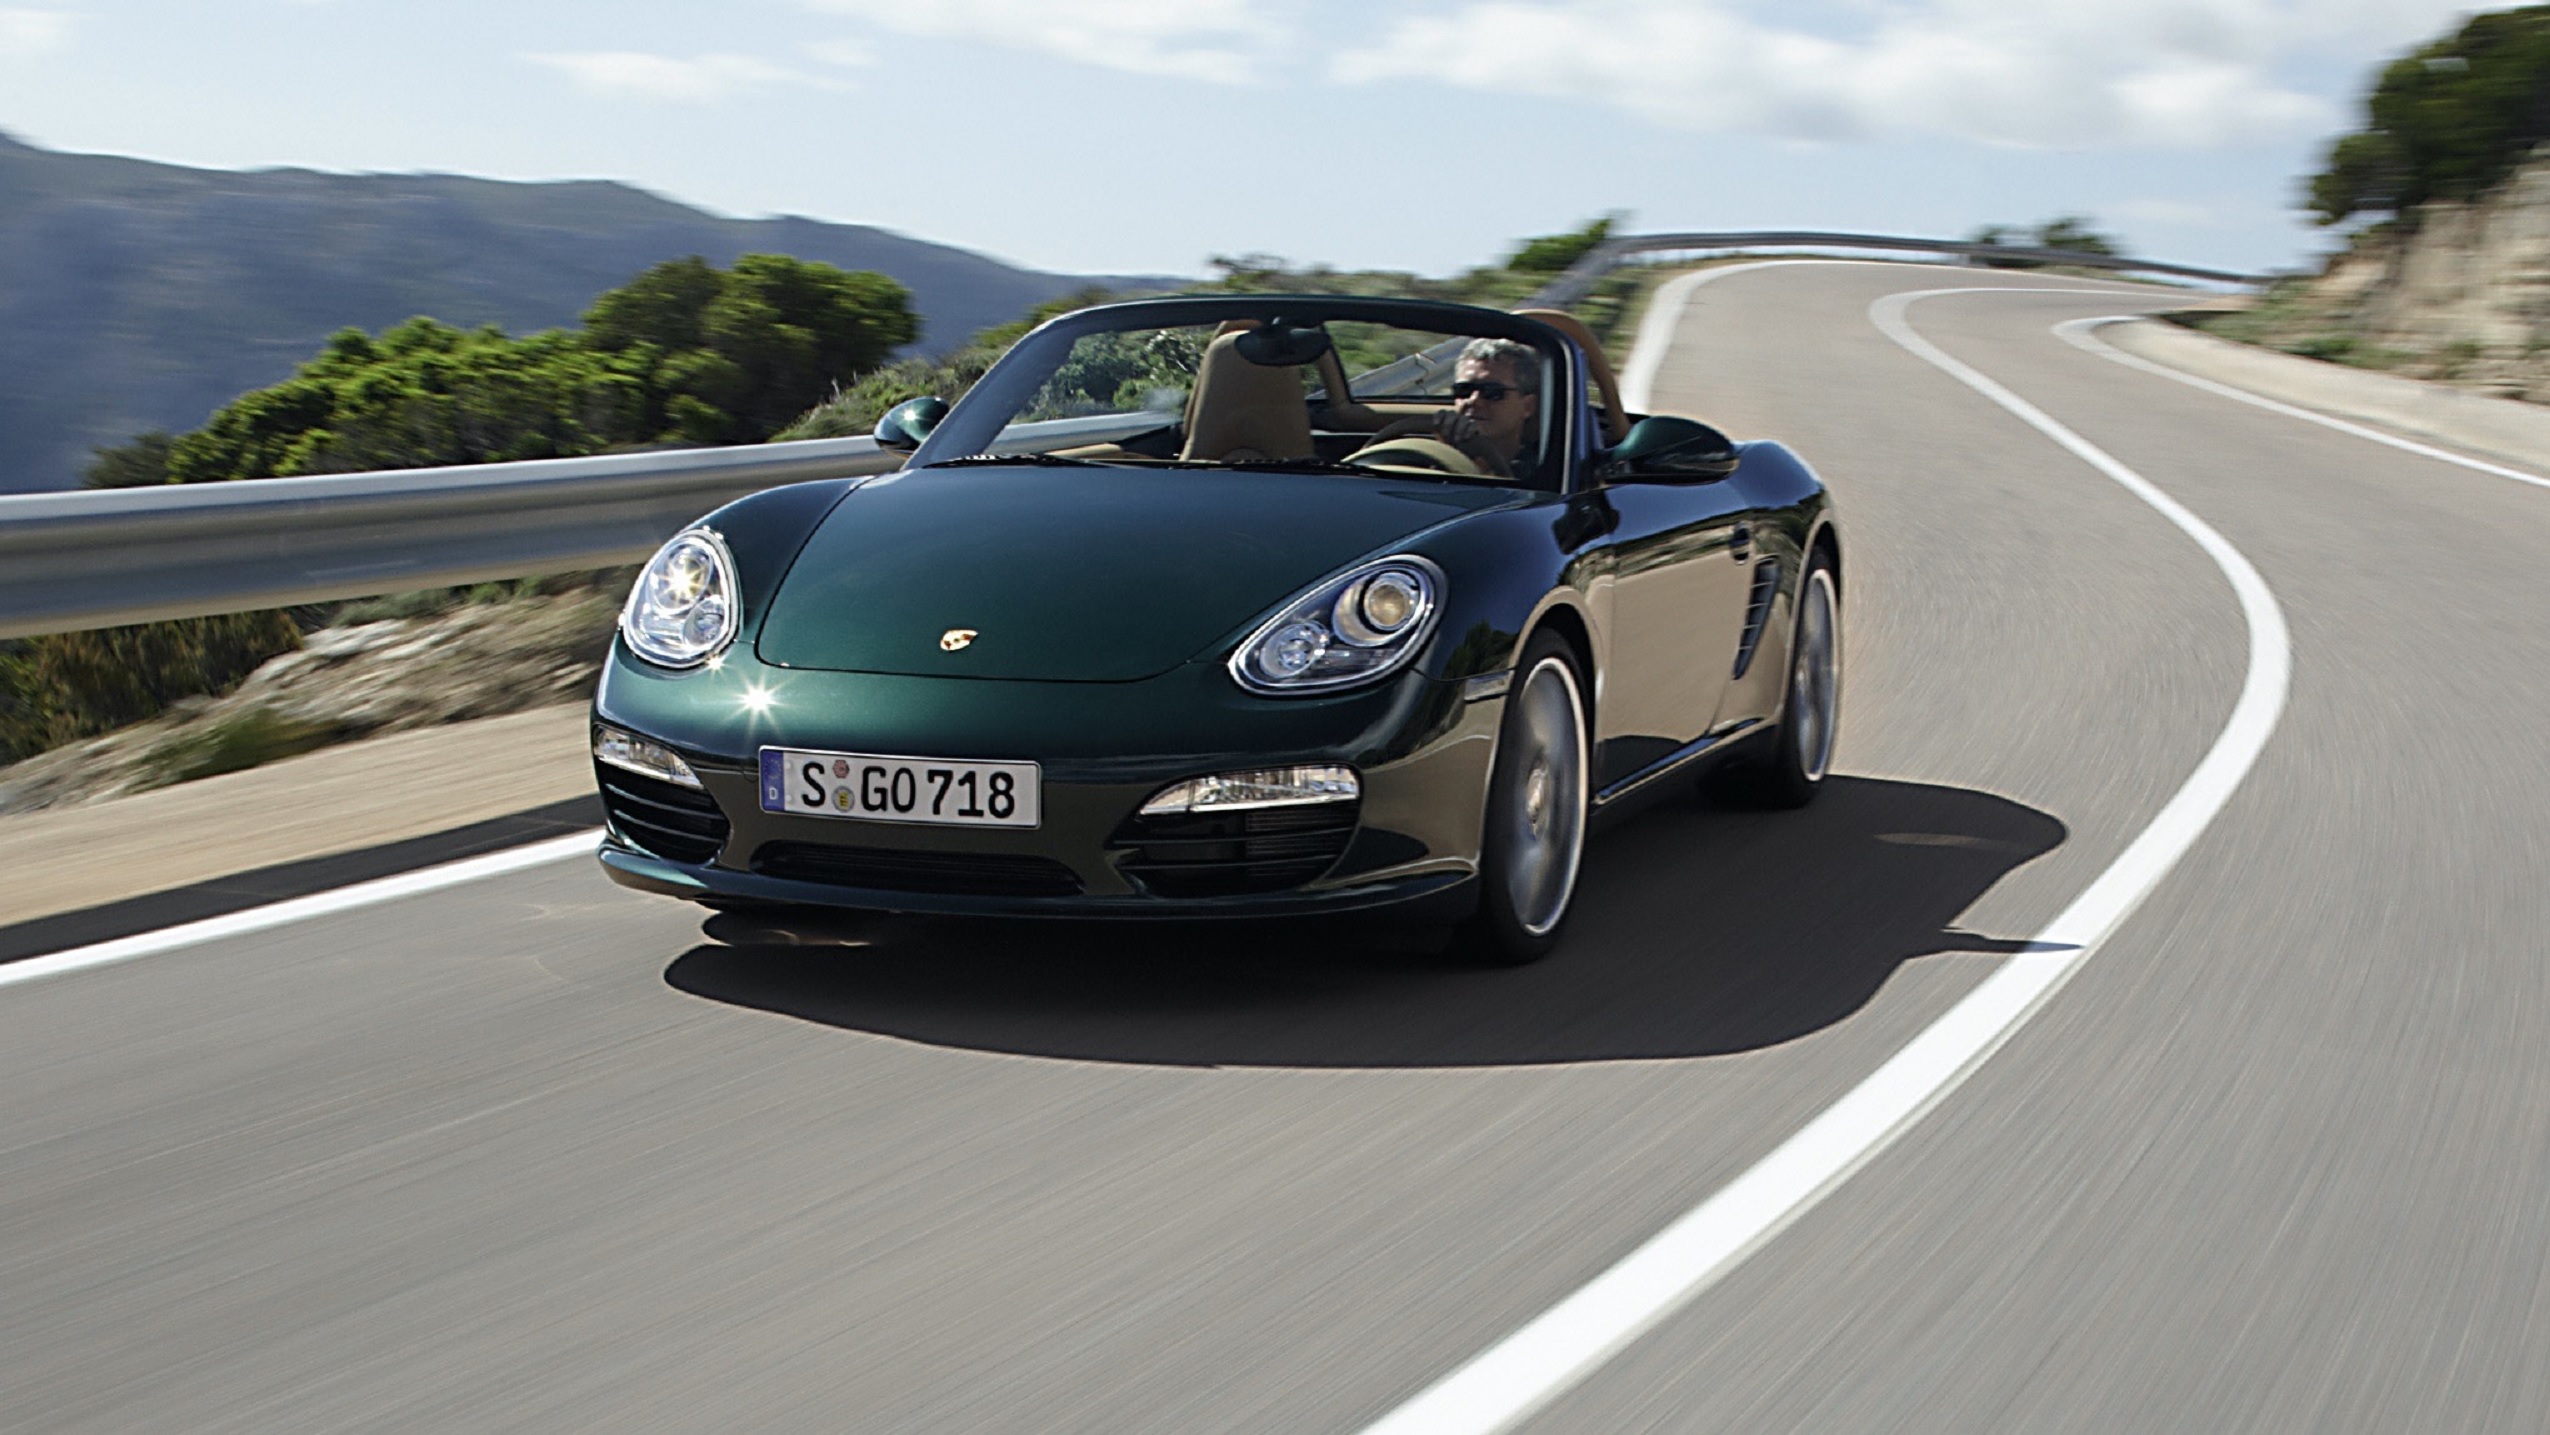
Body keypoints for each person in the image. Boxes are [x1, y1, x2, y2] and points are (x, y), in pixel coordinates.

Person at [1366, 337, 1543, 478]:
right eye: (1464, 390)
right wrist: (1445, 451)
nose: (1474, 400)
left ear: (1528, 406)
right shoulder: (1416, 456)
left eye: (1493, 392)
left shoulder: (1540, 471)